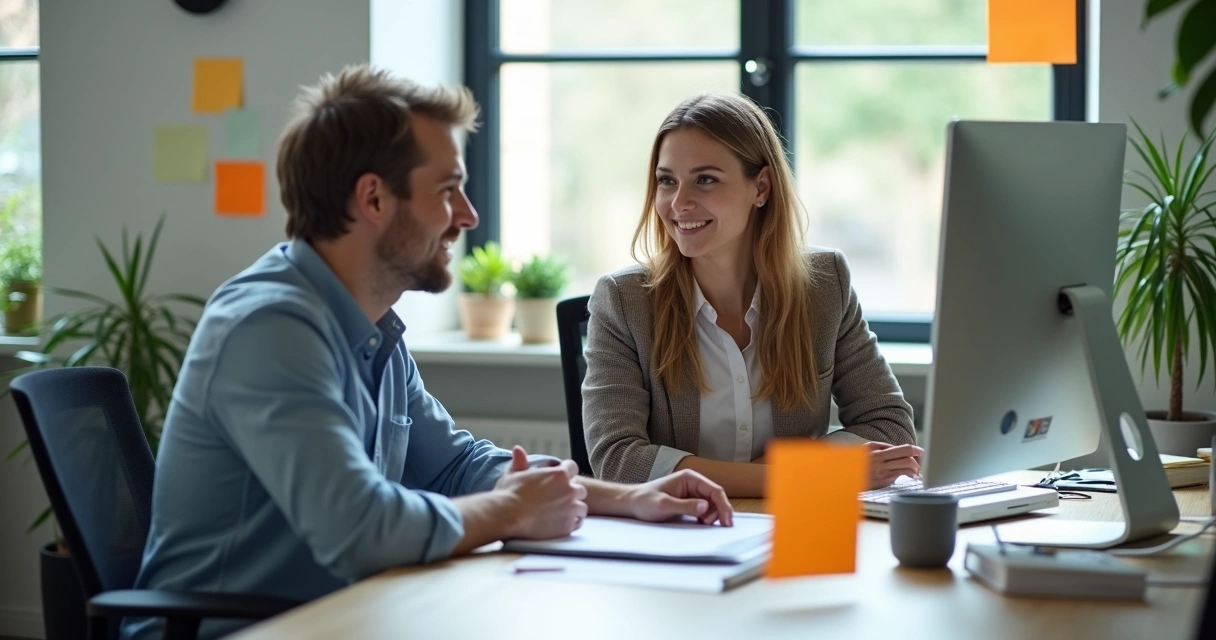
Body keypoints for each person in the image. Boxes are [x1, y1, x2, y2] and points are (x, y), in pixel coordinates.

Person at [121, 66, 732, 640]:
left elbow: (454, 468)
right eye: (448, 191)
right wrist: (509, 512)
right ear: (374, 199)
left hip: (342, 616)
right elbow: (362, 529)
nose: (467, 216)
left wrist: (632, 498)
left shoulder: (371, 326)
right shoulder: (269, 328)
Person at [582, 92, 921, 498]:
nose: (679, 203)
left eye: (705, 180)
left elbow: (889, 425)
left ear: (760, 187)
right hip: (680, 538)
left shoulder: (824, 285)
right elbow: (618, 461)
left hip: (794, 531)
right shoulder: (623, 301)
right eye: (667, 180)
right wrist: (805, 474)